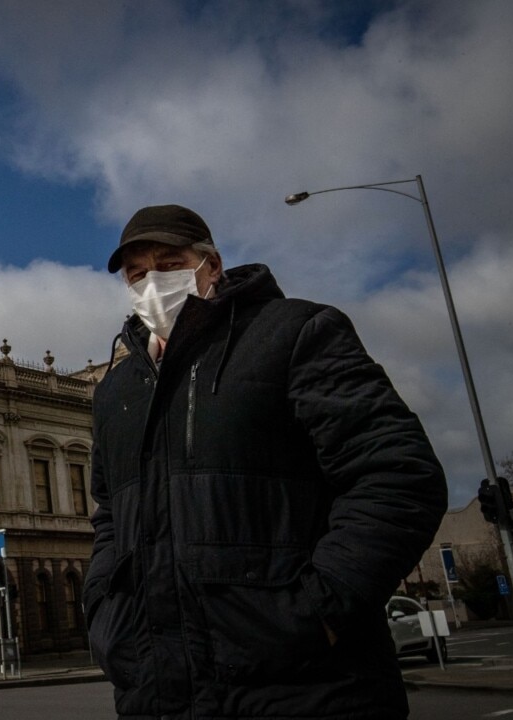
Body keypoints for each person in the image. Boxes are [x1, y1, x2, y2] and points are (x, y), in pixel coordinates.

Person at [84, 204, 448, 719]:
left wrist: (318, 611)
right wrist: (106, 619)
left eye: (169, 264)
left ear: (212, 264)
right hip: (160, 696)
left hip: (310, 692)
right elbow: (109, 520)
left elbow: (397, 474)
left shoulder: (296, 332)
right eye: (137, 274)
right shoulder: (118, 391)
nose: (152, 284)